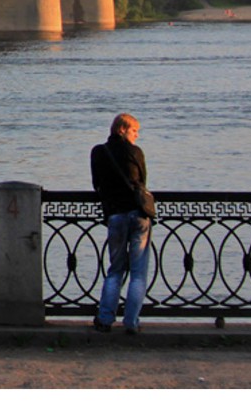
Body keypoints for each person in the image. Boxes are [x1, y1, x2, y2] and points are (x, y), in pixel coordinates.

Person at [90, 112, 152, 334]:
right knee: (138, 272)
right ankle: (131, 323)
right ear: (122, 129)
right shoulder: (135, 152)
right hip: (139, 215)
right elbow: (142, 182)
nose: (136, 136)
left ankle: (105, 319)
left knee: (115, 270)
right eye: (134, 131)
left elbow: (96, 183)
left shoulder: (99, 152)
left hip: (115, 215)